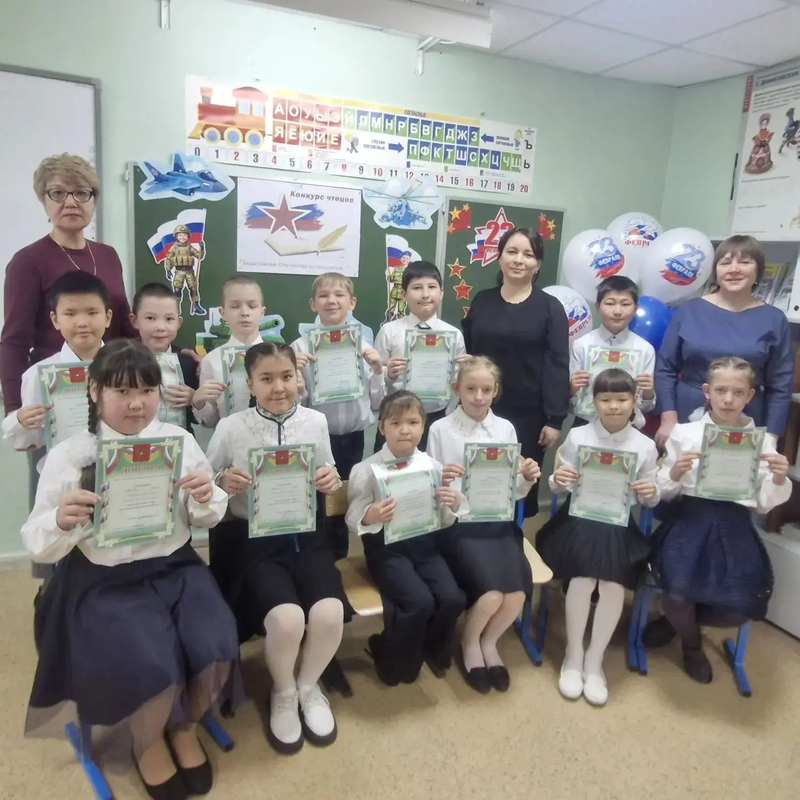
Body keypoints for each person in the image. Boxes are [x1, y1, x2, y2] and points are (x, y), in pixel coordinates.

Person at [22, 340, 242, 800]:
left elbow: (206, 515)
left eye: (147, 390)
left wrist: (206, 496)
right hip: (103, 580)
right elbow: (37, 541)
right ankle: (147, 742)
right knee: (150, 661)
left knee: (217, 642)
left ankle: (182, 726)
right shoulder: (70, 455)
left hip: (176, 568)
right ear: (95, 391)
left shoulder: (178, 441)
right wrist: (60, 520)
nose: (137, 403)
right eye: (122, 391)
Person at [206, 343, 345, 755]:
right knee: (287, 620)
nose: (279, 387)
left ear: (298, 378)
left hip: (308, 536)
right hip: (254, 542)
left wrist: (330, 477)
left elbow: (329, 468)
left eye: (286, 376)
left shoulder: (316, 421)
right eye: (266, 379)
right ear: (250, 384)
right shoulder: (231, 427)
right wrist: (221, 480)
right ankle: (283, 692)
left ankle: (308, 686)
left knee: (329, 613)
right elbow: (206, 478)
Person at [644, 357, 791, 684]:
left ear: (749, 396)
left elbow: (764, 504)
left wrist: (779, 478)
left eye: (737, 393)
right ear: (706, 391)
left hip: (735, 526)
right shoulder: (685, 434)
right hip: (690, 520)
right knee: (677, 593)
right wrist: (675, 472)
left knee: (739, 606)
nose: (728, 399)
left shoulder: (762, 442)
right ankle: (691, 644)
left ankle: (679, 621)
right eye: (721, 390)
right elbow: (662, 493)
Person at [537, 369, 659, 706]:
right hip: (577, 520)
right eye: (605, 399)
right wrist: (560, 479)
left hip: (618, 525)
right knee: (582, 578)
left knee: (612, 585)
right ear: (594, 402)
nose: (614, 406)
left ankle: (595, 659)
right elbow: (557, 485)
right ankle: (573, 655)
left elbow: (650, 499)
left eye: (622, 399)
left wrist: (650, 491)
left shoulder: (645, 445)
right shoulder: (578, 436)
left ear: (634, 402)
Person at [427, 356, 542, 693]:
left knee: (516, 595)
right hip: (457, 524)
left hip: (497, 523)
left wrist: (527, 477)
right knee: (491, 596)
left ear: (496, 391)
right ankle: (469, 642)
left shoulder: (504, 429)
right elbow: (433, 488)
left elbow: (513, 490)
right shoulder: (440, 429)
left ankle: (489, 642)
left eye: (486, 390)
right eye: (471, 389)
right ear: (456, 389)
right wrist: (444, 482)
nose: (478, 397)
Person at [346, 391, 467, 687]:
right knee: (418, 601)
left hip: (424, 546)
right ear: (381, 427)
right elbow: (352, 518)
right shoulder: (366, 470)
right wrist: (371, 515)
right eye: (395, 422)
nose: (404, 430)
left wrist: (452, 503)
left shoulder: (433, 467)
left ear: (423, 426)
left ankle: (430, 648)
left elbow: (444, 519)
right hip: (386, 551)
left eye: (413, 422)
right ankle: (393, 657)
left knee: (453, 598)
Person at [1, 154, 135, 415]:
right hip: (55, 395)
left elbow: (125, 327)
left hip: (112, 386)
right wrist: (15, 411)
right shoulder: (27, 261)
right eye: (58, 193)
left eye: (81, 193)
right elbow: (14, 341)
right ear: (44, 201)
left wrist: (173, 354)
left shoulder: (108, 255)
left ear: (94, 201)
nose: (71, 202)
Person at [462, 227, 569, 517]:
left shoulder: (550, 308)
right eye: (511, 251)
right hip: (479, 408)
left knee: (519, 487)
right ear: (499, 258)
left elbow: (558, 364)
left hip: (528, 415)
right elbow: (468, 352)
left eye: (528, 254)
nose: (518, 260)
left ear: (538, 264)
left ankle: (514, 537)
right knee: (477, 484)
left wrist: (555, 419)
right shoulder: (482, 301)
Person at [655, 235, 794, 448]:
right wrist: (668, 419)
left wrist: (772, 435)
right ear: (716, 271)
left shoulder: (774, 319)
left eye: (744, 262)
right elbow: (665, 369)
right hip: (688, 413)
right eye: (725, 262)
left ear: (758, 271)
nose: (734, 269)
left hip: (747, 416)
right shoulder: (689, 311)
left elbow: (780, 384)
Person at [292, 272, 386, 559]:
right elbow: (297, 406)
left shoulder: (366, 348)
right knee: (316, 499)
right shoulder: (299, 348)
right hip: (317, 439)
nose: (331, 301)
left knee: (346, 497)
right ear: (312, 304)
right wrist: (296, 376)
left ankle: (340, 558)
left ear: (352, 302)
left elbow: (377, 402)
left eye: (339, 295)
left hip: (354, 438)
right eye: (323, 295)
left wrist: (378, 370)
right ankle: (314, 558)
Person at [2, 272, 111, 456]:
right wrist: (20, 422)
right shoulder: (39, 375)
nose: (82, 323)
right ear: (55, 320)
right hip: (61, 470)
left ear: (107, 317)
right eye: (70, 314)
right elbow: (28, 442)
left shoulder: (128, 367)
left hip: (113, 469)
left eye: (92, 313)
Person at [374, 260, 466, 451]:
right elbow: (373, 373)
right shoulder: (389, 331)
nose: (425, 294)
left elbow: (458, 381)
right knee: (390, 466)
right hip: (397, 417)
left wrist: (465, 372)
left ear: (441, 293)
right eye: (417, 288)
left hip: (438, 417)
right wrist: (387, 373)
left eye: (432, 287)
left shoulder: (453, 335)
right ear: (403, 294)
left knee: (434, 467)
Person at [570, 275, 655, 428]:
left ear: (636, 307)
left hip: (628, 426)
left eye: (625, 304)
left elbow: (645, 406)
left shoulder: (645, 349)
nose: (617, 311)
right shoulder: (582, 345)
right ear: (597, 306)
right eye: (610, 303)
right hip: (585, 423)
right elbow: (570, 403)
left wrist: (649, 393)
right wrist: (572, 388)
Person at [192, 276, 266, 429]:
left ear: (262, 312)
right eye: (235, 306)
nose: (244, 312)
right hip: (230, 440)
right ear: (222, 312)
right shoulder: (212, 361)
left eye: (252, 306)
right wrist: (200, 403)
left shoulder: (279, 357)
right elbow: (211, 422)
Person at [130, 283, 198, 434]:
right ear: (134, 321)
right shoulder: (122, 362)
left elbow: (198, 419)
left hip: (180, 441)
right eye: (150, 318)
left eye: (169, 319)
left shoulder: (188, 363)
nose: (160, 327)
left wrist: (194, 399)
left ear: (179, 323)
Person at [164, 224, 206, 316]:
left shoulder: (190, 247)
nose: (182, 237)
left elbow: (199, 256)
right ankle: (176, 308)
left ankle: (196, 306)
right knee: (177, 289)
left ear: (188, 236)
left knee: (193, 288)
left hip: (189, 272)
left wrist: (202, 248)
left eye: (184, 235)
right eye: (180, 235)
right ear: (176, 236)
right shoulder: (174, 248)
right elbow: (169, 259)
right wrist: (168, 270)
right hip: (179, 272)